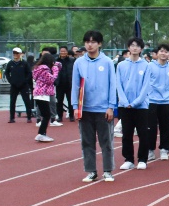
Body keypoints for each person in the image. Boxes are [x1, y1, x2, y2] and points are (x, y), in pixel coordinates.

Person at [71, 30, 117, 183]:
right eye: (87, 42)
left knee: (107, 142)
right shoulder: (79, 62)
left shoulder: (107, 62)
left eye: (93, 42)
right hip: (85, 109)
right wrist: (75, 106)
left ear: (99, 44)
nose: (89, 45)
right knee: (87, 142)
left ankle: (108, 170)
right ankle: (91, 171)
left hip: (103, 109)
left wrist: (111, 106)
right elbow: (75, 85)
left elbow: (112, 85)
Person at [115, 37, 153, 170]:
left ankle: (142, 159)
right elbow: (118, 84)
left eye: (137, 46)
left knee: (143, 133)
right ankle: (129, 159)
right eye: (132, 45)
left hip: (141, 106)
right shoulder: (121, 65)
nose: (135, 48)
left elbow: (146, 87)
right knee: (127, 133)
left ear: (141, 49)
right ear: (128, 48)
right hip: (124, 106)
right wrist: (125, 102)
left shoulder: (146, 66)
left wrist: (136, 102)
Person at [147, 44, 169, 160]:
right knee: (151, 127)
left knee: (166, 127)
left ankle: (164, 149)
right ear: (157, 53)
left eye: (166, 52)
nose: (164, 53)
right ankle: (150, 150)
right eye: (161, 51)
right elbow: (145, 83)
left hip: (166, 101)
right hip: (152, 101)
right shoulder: (149, 66)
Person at [31, 52, 62, 142]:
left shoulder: (38, 68)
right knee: (46, 115)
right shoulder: (44, 69)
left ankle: (42, 133)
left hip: (39, 93)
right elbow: (51, 80)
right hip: (42, 94)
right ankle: (41, 134)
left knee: (45, 115)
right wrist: (55, 71)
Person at [4, 47, 33, 123]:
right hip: (14, 86)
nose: (15, 55)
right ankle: (12, 118)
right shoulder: (10, 63)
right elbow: (7, 73)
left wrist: (25, 81)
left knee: (27, 101)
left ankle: (29, 117)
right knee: (12, 101)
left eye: (17, 53)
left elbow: (29, 73)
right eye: (14, 53)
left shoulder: (24, 63)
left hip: (24, 86)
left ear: (20, 54)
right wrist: (11, 81)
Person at [55, 46, 75, 122]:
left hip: (69, 83)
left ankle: (71, 115)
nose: (63, 53)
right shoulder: (56, 61)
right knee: (59, 101)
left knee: (70, 101)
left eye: (64, 51)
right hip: (59, 84)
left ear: (67, 52)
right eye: (61, 51)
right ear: (59, 52)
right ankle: (60, 116)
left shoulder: (72, 60)